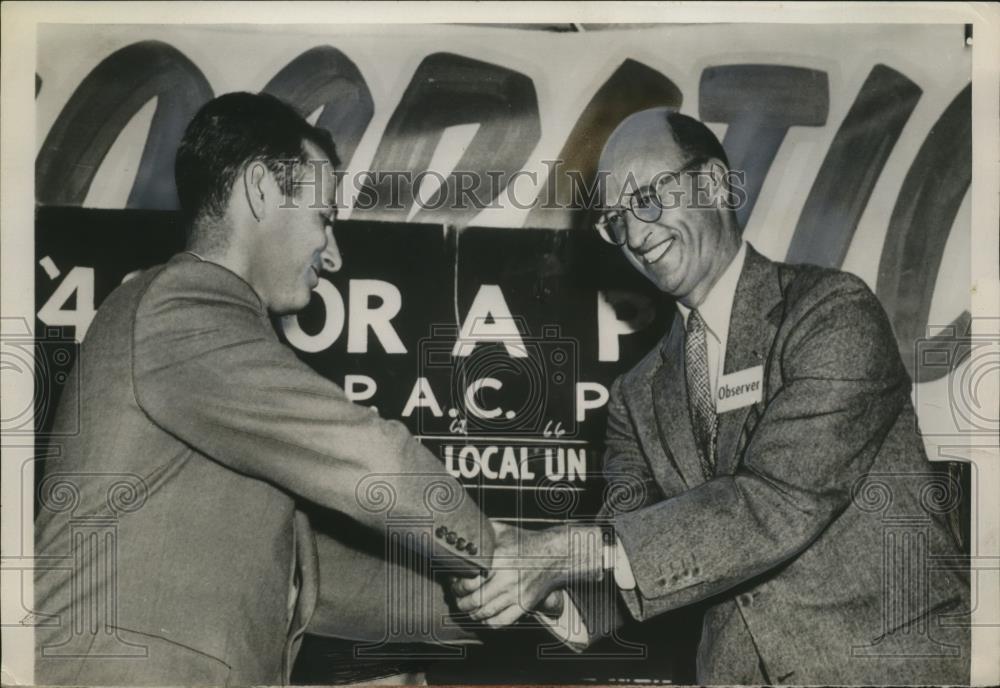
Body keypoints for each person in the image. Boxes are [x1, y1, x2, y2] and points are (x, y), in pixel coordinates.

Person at [451, 107, 970, 685]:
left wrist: (561, 551)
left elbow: (779, 498)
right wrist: (543, 589)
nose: (636, 236)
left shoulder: (831, 312)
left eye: (648, 197)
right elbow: (635, 559)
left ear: (716, 183)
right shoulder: (637, 394)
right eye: (616, 220)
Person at [33, 92, 493, 686]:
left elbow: (318, 579)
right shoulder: (180, 304)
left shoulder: (217, 363)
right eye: (323, 218)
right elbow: (373, 457)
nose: (333, 255)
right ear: (259, 188)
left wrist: (520, 599)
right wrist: (495, 553)